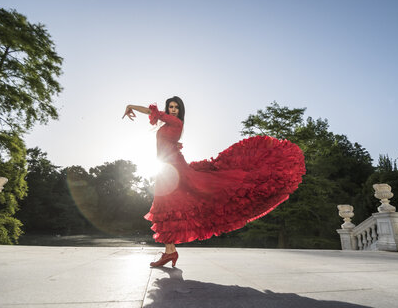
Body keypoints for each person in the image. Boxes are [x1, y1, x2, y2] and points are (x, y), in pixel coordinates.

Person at [123, 96, 305, 267]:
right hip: (166, 168)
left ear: (180, 111)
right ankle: (170, 251)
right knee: (166, 208)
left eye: (176, 107)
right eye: (170, 107)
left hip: (174, 169)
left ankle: (170, 251)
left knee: (196, 194)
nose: (173, 110)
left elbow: (150, 112)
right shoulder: (167, 123)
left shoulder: (176, 122)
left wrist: (131, 106)